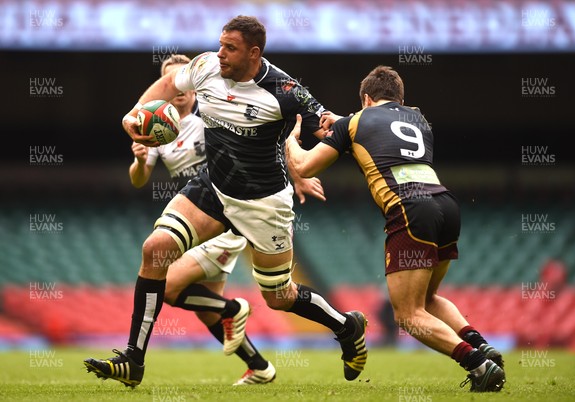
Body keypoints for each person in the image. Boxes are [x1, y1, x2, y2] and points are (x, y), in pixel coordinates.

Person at [84, 16, 368, 388]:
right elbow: (169, 83)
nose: (220, 53)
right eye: (220, 44)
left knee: (280, 297)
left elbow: (332, 129)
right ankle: (133, 360)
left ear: (254, 53)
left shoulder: (285, 90)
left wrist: (315, 159)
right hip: (214, 189)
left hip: (264, 203)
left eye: (230, 48)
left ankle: (347, 327)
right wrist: (135, 114)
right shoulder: (205, 67)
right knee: (155, 250)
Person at [285, 65, 506, 392]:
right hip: (445, 204)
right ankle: (479, 343)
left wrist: (291, 140)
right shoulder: (418, 118)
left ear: (365, 98)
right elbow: (378, 128)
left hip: (410, 210)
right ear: (400, 99)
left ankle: (476, 363)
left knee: (407, 315)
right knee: (428, 298)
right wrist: (344, 124)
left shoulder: (355, 122)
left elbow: (304, 165)